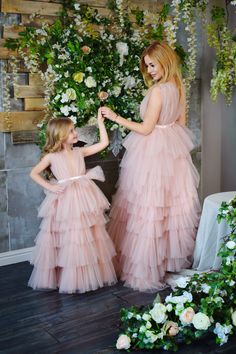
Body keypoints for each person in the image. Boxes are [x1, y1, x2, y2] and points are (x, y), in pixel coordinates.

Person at [101, 41, 201, 292]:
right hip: (172, 151)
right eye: (147, 66)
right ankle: (165, 263)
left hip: (152, 153)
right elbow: (181, 123)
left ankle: (145, 268)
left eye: (153, 65)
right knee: (167, 209)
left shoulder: (157, 92)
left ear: (165, 61)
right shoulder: (179, 88)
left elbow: (146, 129)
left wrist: (115, 117)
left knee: (145, 209)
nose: (150, 70)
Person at [28, 110, 117, 293]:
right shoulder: (51, 157)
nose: (75, 133)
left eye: (74, 129)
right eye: (71, 131)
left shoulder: (79, 151)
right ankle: (70, 277)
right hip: (66, 200)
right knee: (70, 238)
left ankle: (88, 274)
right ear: (60, 135)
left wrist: (100, 122)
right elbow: (33, 173)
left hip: (84, 197)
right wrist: (50, 187)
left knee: (86, 236)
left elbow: (104, 143)